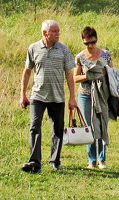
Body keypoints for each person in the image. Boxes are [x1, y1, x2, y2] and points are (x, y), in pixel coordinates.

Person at [20, 19, 77, 173]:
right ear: (45, 33)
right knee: (34, 127)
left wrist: (72, 97)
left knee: (57, 129)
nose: (58, 34)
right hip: (37, 95)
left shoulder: (63, 50)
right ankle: (34, 163)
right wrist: (22, 94)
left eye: (58, 31)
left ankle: (55, 161)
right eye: (54, 31)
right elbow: (27, 72)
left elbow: (70, 75)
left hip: (57, 96)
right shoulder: (33, 48)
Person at [74, 26, 115, 170]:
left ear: (96, 40)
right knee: (89, 127)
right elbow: (75, 78)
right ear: (83, 42)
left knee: (102, 124)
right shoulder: (80, 57)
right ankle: (91, 160)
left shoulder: (105, 55)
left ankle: (102, 159)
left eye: (93, 42)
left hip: (102, 94)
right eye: (87, 43)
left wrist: (105, 75)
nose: (90, 46)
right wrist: (88, 76)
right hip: (85, 94)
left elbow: (112, 73)